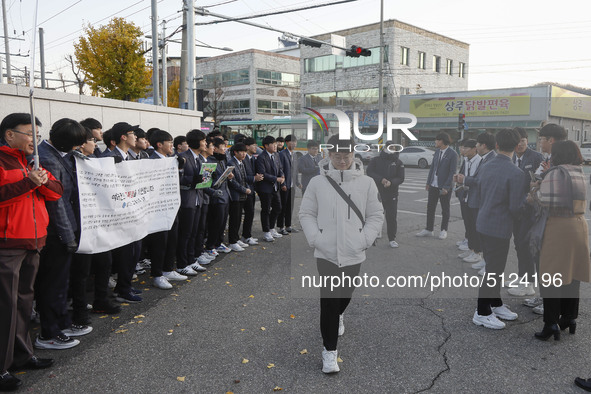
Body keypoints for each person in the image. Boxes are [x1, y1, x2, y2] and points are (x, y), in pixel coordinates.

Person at [300, 134, 383, 374]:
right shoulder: (317, 182)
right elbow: (306, 213)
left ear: (354, 155)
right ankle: (329, 352)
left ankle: (339, 315)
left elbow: (376, 214)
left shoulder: (366, 183)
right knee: (329, 301)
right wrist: (317, 239)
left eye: (346, 156)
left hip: (354, 250)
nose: (342, 161)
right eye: (337, 156)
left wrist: (365, 239)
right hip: (326, 253)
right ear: (329, 155)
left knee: (345, 294)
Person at [0, 113, 63, 391]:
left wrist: (42, 179)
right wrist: (29, 182)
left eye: (37, 134)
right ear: (9, 134)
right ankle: (2, 366)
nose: (34, 139)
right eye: (29, 133)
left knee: (25, 302)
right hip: (8, 243)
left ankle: (23, 355)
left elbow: (56, 193)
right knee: (6, 307)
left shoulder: (31, 162)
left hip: (35, 242)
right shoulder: (2, 160)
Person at [35, 118, 89, 349]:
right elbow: (56, 203)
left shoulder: (61, 153)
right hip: (55, 230)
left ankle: (62, 323)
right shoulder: (46, 158)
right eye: (76, 144)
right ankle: (49, 333)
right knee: (52, 284)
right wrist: (68, 236)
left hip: (64, 226)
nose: (78, 148)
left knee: (60, 283)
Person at [528, 141, 589, 341]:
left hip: (558, 227)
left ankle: (551, 323)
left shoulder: (556, 173)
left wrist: (535, 188)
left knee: (551, 276)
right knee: (572, 274)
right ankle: (569, 318)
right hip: (578, 226)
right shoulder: (579, 171)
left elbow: (544, 200)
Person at [471, 129, 525, 330]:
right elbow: (515, 207)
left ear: (496, 145)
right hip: (499, 226)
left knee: (494, 267)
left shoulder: (486, 165)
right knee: (493, 270)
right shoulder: (516, 173)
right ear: (517, 145)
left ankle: (495, 303)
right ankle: (482, 311)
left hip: (483, 222)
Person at [148, 129, 190, 288]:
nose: (172, 146)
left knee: (173, 238)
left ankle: (167, 269)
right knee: (160, 241)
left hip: (171, 205)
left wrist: (178, 168)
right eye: (170, 143)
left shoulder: (172, 159)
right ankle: (157, 274)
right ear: (159, 144)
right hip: (158, 207)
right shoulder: (151, 160)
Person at [507, 127, 543, 297]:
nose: (520, 144)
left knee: (526, 246)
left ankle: (528, 284)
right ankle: (522, 277)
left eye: (523, 140)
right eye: (517, 141)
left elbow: (540, 183)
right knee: (518, 244)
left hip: (530, 211)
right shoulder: (511, 158)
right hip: (515, 210)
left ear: (527, 141)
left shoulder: (535, 157)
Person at [456, 132, 496, 273]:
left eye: (476, 145)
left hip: (481, 200)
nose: (464, 150)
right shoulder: (484, 159)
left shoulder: (489, 159)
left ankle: (485, 259)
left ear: (482, 146)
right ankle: (477, 254)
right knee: (472, 227)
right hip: (469, 197)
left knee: (483, 233)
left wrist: (464, 180)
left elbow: (481, 181)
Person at [416, 132, 458, 240]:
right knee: (430, 207)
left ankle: (444, 230)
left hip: (444, 186)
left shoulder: (453, 154)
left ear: (442, 141)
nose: (435, 142)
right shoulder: (437, 152)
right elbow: (432, 168)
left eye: (437, 140)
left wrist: (446, 186)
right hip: (433, 185)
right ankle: (429, 229)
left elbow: (452, 172)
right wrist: (428, 182)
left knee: (445, 209)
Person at [366, 141, 405, 248]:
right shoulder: (376, 160)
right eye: (389, 147)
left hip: (392, 193)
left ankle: (392, 238)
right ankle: (374, 234)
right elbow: (369, 172)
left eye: (394, 147)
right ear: (384, 148)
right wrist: (381, 180)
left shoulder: (398, 162)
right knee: (376, 215)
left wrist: (391, 182)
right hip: (377, 192)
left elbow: (401, 178)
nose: (391, 149)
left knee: (391, 216)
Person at [255, 136, 285, 242]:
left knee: (278, 208)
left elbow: (280, 167)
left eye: (276, 144)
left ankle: (272, 228)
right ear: (266, 146)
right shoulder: (261, 157)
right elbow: (262, 173)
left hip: (275, 187)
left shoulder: (276, 155)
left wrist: (282, 176)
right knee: (266, 210)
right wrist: (276, 178)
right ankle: (266, 231)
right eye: (273, 144)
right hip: (265, 188)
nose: (276, 146)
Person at [227, 143, 252, 252]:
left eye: (245, 152)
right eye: (241, 152)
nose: (244, 154)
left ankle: (236, 239)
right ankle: (232, 241)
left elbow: (244, 178)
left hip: (242, 195)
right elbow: (232, 182)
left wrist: (247, 187)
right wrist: (244, 189)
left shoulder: (241, 163)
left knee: (238, 219)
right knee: (234, 219)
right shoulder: (231, 163)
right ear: (235, 152)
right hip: (235, 195)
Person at [241, 137, 263, 245]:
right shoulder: (243, 159)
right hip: (244, 190)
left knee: (250, 213)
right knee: (246, 213)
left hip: (252, 189)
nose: (256, 147)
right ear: (247, 147)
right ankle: (245, 236)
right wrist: (254, 178)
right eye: (253, 145)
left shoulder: (253, 158)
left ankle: (247, 235)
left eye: (256, 145)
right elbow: (242, 176)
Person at [278, 135, 300, 234]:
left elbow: (295, 170)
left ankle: (288, 225)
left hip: (292, 186)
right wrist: (282, 184)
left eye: (295, 142)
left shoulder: (295, 155)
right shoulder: (282, 154)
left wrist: (297, 182)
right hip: (284, 185)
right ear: (287, 143)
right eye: (292, 142)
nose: (294, 144)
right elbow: (280, 169)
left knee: (290, 206)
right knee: (283, 206)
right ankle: (281, 227)